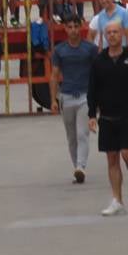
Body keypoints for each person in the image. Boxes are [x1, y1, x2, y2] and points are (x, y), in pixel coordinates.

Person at [88, 20, 128, 216]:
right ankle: (117, 199)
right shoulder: (99, 61)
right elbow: (92, 89)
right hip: (106, 116)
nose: (113, 35)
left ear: (122, 33)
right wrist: (91, 115)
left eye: (116, 32)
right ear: (105, 36)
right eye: (109, 33)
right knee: (112, 158)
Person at [50, 14, 99, 184]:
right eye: (69, 27)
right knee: (71, 136)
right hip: (67, 96)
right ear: (65, 29)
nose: (73, 30)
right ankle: (76, 168)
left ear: (81, 27)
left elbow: (98, 73)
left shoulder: (90, 49)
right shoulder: (59, 50)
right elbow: (55, 75)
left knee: (82, 133)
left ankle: (81, 166)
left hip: (85, 96)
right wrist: (53, 99)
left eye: (76, 27)